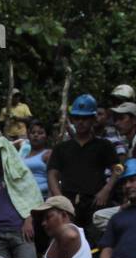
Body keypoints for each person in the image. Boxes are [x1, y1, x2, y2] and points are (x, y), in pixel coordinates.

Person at [47, 95, 117, 232]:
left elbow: (118, 168)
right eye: (77, 118)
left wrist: (106, 190)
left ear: (93, 119)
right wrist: (60, 198)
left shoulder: (104, 145)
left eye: (85, 118)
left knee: (94, 242)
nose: (80, 122)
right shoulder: (62, 148)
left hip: (95, 203)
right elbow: (52, 173)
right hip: (69, 203)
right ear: (72, 119)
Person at [20, 120, 52, 199]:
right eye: (33, 133)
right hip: (23, 197)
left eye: (40, 133)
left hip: (42, 197)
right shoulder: (23, 154)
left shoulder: (48, 154)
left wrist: (50, 201)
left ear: (46, 137)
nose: (36, 135)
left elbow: (52, 180)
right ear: (28, 135)